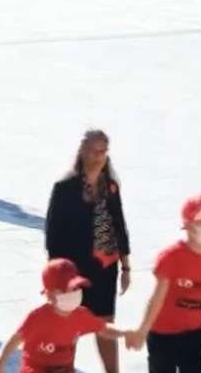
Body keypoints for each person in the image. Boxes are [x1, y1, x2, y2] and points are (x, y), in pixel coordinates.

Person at [44, 129, 132, 372]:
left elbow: (119, 226)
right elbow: (53, 236)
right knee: (69, 325)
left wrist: (125, 266)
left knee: (104, 323)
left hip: (105, 268)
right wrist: (55, 278)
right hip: (75, 272)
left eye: (104, 151)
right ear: (82, 152)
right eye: (95, 151)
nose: (99, 156)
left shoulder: (110, 187)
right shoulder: (64, 188)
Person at [131, 194, 201, 371]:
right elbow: (157, 298)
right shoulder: (171, 257)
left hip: (195, 334)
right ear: (189, 227)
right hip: (163, 335)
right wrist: (142, 332)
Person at [0, 258, 134, 372]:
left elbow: (103, 328)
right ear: (49, 295)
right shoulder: (38, 317)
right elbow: (15, 339)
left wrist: (125, 333)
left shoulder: (81, 315)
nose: (74, 293)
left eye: (76, 288)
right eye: (68, 290)